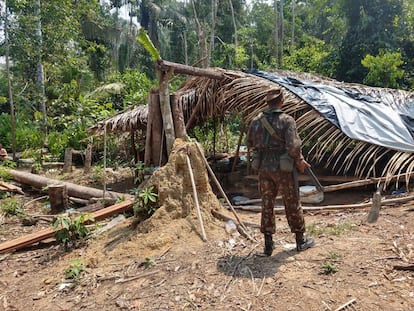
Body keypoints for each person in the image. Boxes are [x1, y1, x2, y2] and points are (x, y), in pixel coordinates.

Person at [246, 89, 315, 256]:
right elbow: (293, 147)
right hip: (283, 167)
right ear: (282, 101)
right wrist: (299, 161)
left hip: (264, 167)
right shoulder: (287, 120)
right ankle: (300, 240)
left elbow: (249, 142)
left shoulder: (256, 121)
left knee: (267, 203)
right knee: (291, 201)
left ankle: (268, 246)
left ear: (267, 103)